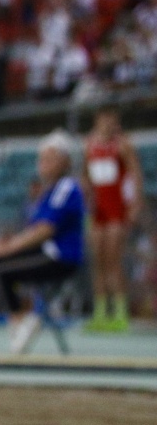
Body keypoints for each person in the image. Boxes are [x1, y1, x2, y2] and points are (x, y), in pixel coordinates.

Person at [0, 130, 84, 354]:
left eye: (49, 158)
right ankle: (21, 320)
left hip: (60, 257)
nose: (43, 164)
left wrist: (8, 249)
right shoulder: (49, 192)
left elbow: (44, 230)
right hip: (45, 253)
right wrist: (3, 245)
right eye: (41, 159)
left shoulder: (66, 187)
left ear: (65, 161)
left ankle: (22, 322)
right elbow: (32, 229)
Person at [82, 107, 142, 332]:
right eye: (105, 119)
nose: (108, 123)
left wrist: (135, 204)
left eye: (112, 119)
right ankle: (100, 313)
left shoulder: (123, 144)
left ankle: (119, 312)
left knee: (113, 260)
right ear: (98, 120)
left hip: (117, 209)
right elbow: (86, 175)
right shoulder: (89, 144)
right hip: (98, 211)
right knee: (97, 261)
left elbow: (135, 174)